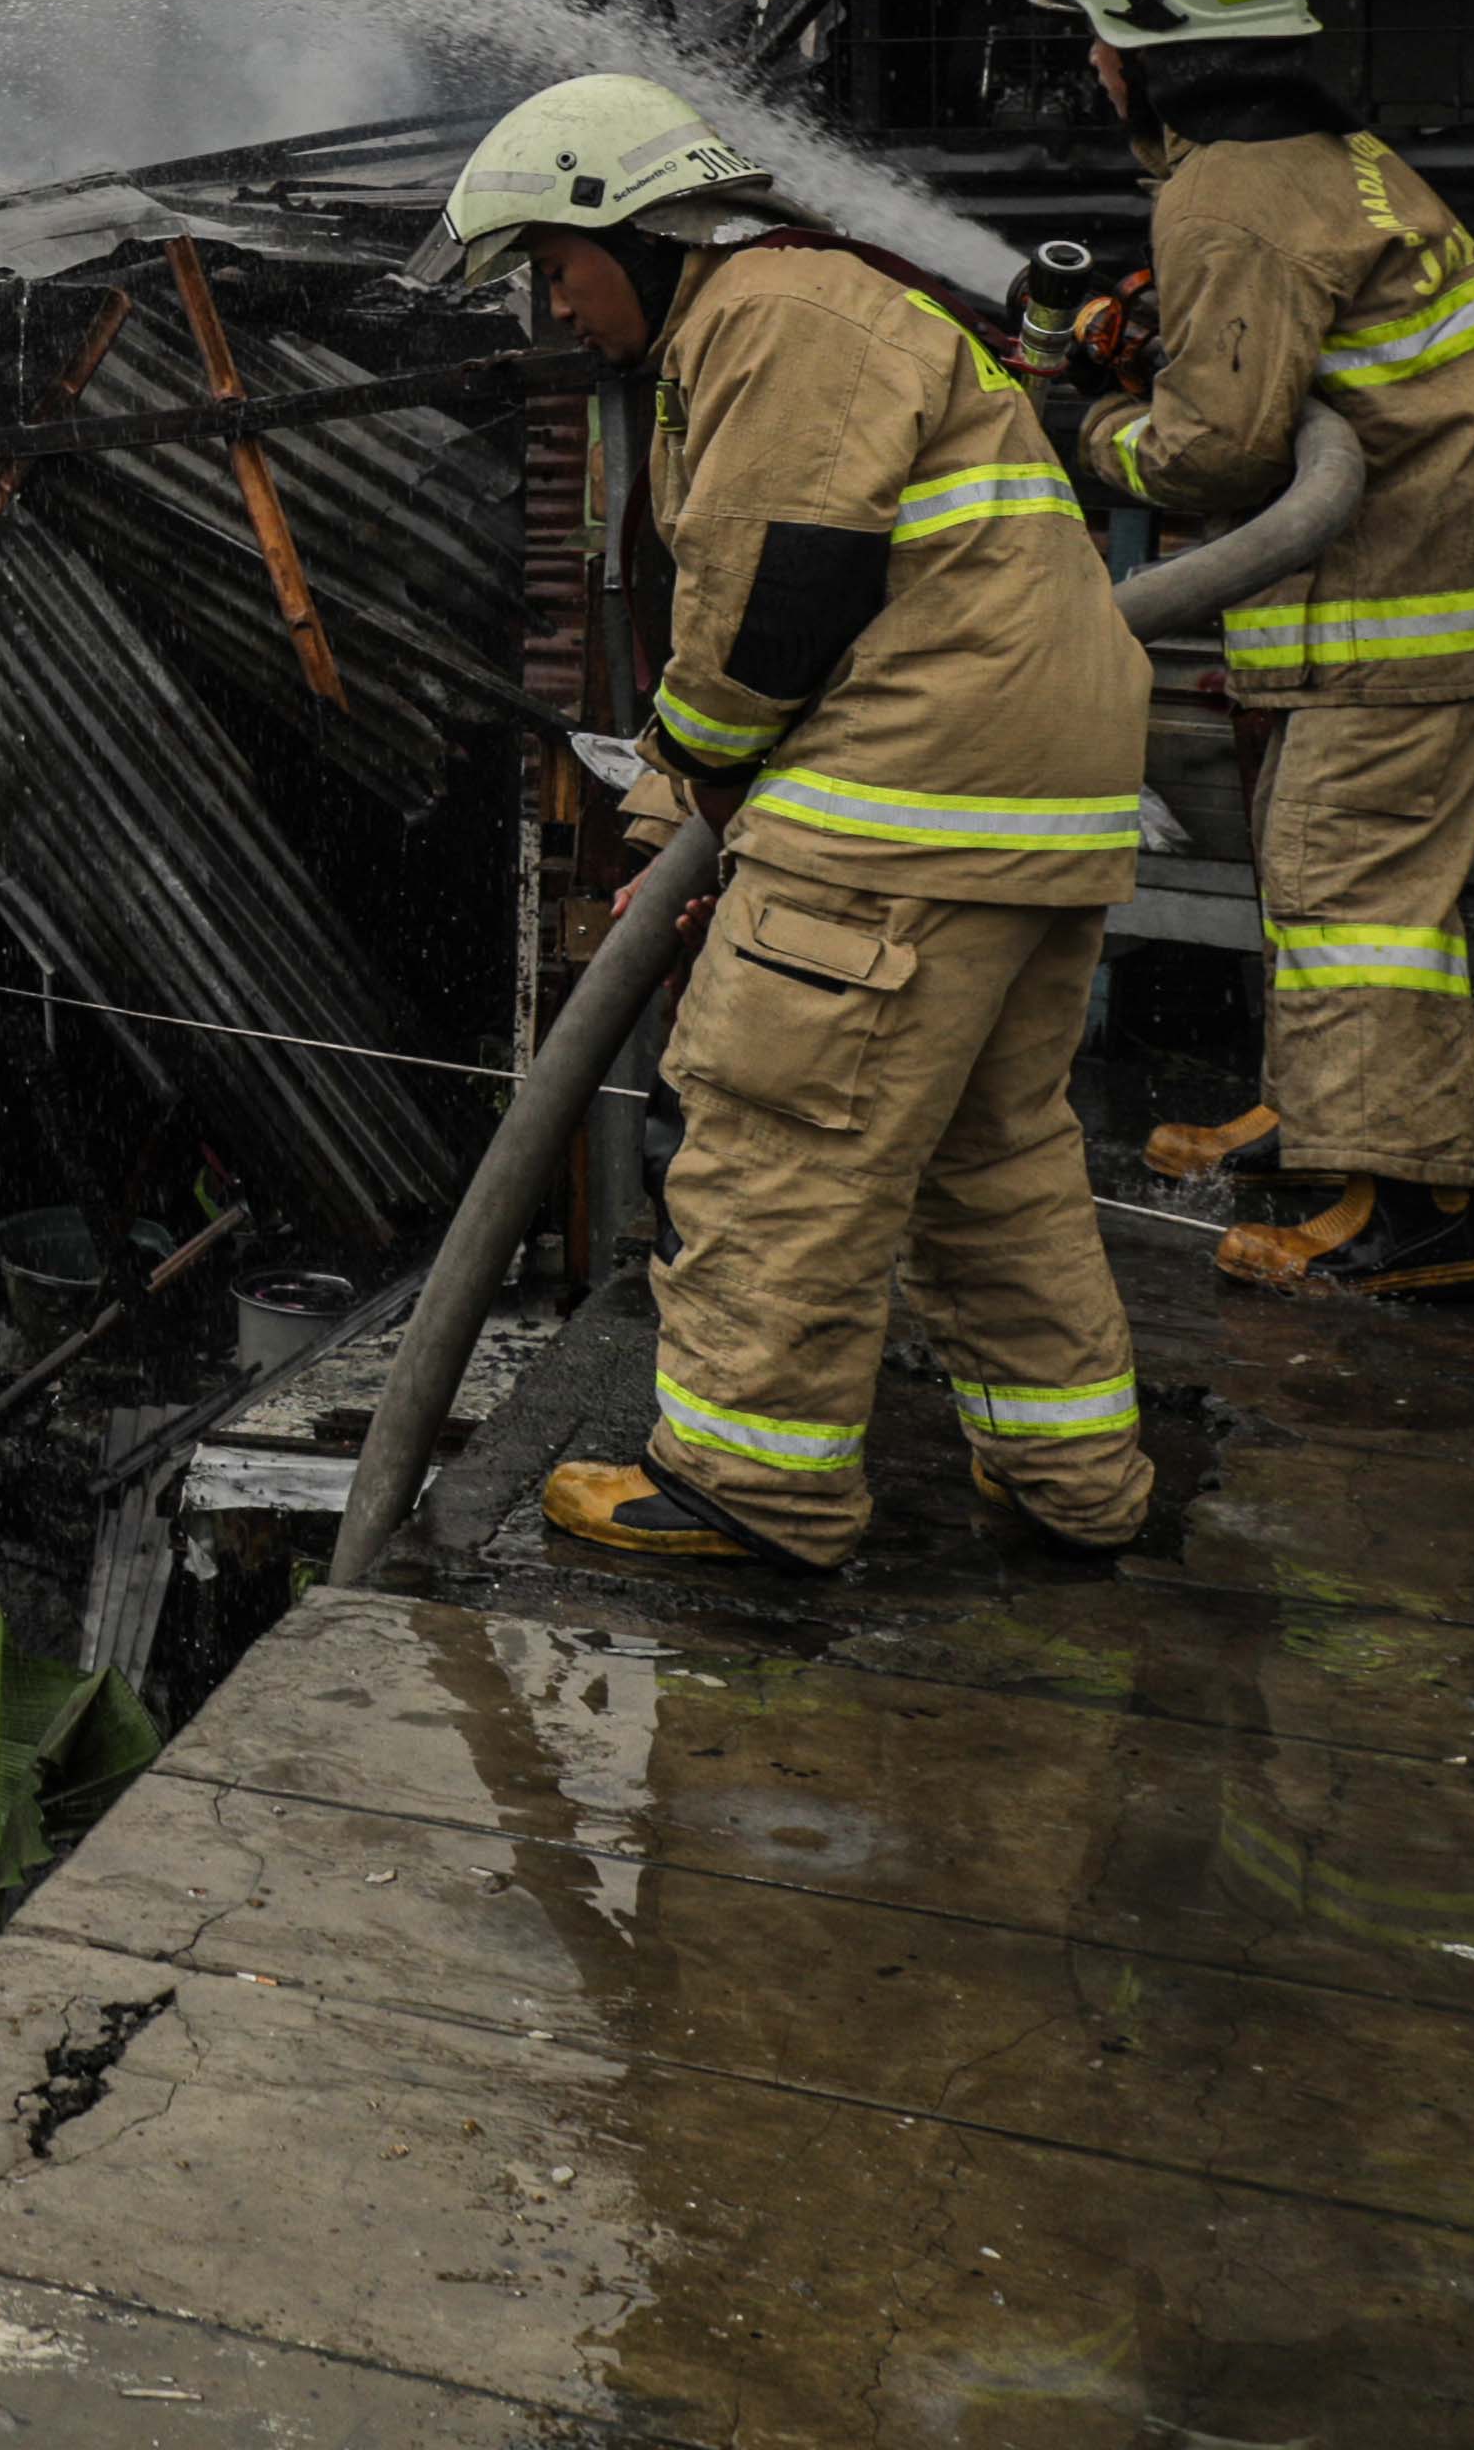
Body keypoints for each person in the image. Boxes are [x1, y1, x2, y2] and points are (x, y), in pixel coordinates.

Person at [424, 76, 1159, 1573]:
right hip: (1010, 818)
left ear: (629, 230)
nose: (555, 314)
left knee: (780, 1138)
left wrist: (683, 803)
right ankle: (1073, 1481)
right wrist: (679, 842)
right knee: (990, 1161)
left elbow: (775, 608)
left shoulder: (770, 311)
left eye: (554, 271)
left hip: (903, 812)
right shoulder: (816, 312)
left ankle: (748, 1485)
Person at [1032, 0, 1474, 1297]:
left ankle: (1409, 1222)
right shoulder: (1326, 159)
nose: (1089, 66)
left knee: (1356, 903)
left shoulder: (1233, 203)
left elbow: (1218, 457)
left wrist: (1081, 431)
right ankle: (1332, 1117)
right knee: (1328, 871)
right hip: (1432, 580)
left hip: (1397, 605)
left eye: (1097, 37)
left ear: (1154, 52)